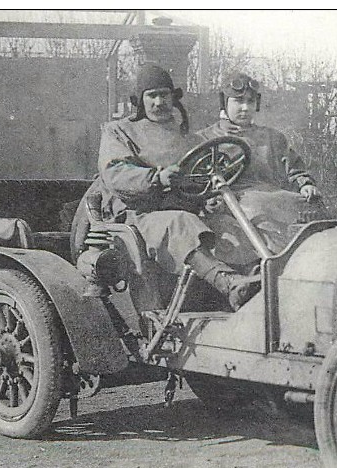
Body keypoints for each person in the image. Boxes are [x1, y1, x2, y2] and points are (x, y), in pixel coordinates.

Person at [77, 64, 262, 311]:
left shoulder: (190, 139)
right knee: (179, 223)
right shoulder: (119, 131)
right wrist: (157, 178)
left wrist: (209, 198)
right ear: (140, 101)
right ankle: (229, 284)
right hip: (135, 215)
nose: (159, 101)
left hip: (186, 211)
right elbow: (115, 172)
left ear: (173, 97)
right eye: (151, 95)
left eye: (164, 94)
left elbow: (202, 179)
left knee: (230, 224)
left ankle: (258, 282)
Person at [195, 71, 324, 268]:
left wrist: (305, 184)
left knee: (312, 212)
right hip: (234, 203)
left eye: (250, 101)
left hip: (275, 197)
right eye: (238, 101)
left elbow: (293, 167)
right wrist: (208, 199)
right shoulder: (205, 139)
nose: (245, 108)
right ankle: (275, 267)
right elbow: (196, 181)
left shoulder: (273, 138)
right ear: (224, 103)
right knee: (261, 214)